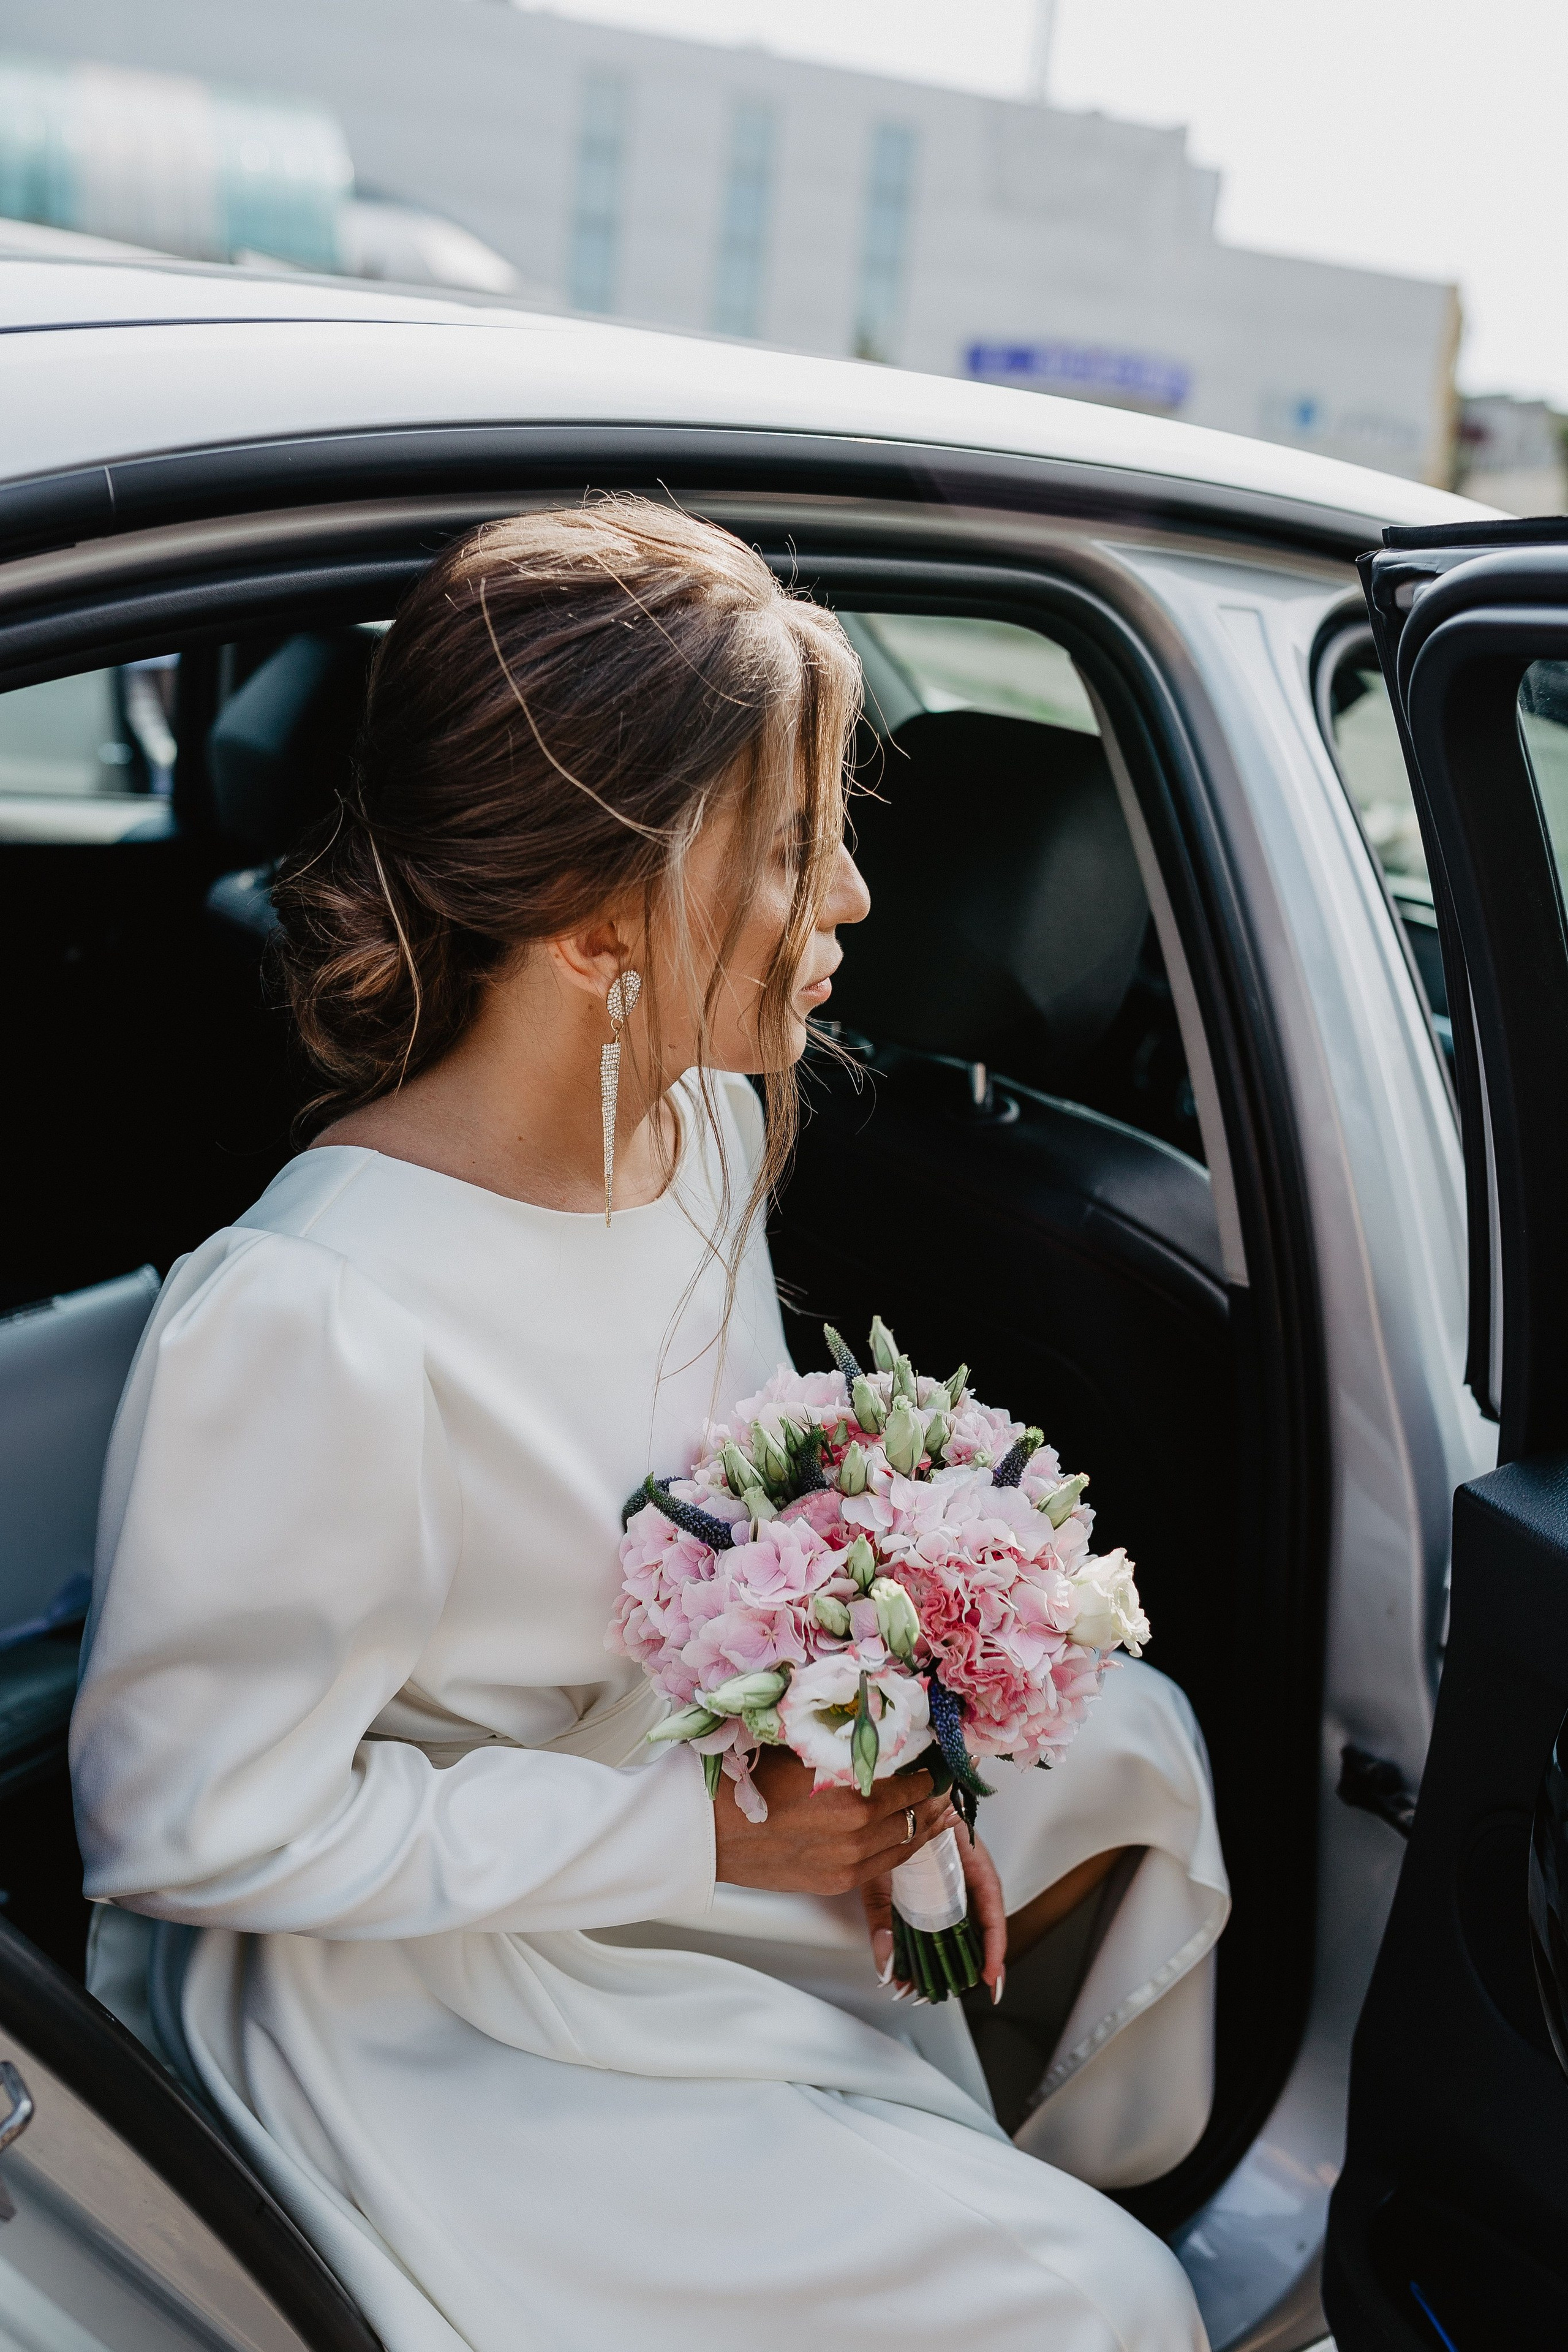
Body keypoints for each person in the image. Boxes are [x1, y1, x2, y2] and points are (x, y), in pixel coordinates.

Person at [72, 502, 1226, 2351]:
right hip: (422, 1973)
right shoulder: (313, 1320)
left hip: (675, 1777)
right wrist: (711, 1842)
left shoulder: (692, 1132)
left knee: (1141, 1746)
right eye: (792, 849)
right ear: (600, 921)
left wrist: (884, 1707)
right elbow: (183, 1823)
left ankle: (945, 2175)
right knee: (1103, 2312)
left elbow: (719, 1516)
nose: (852, 897)